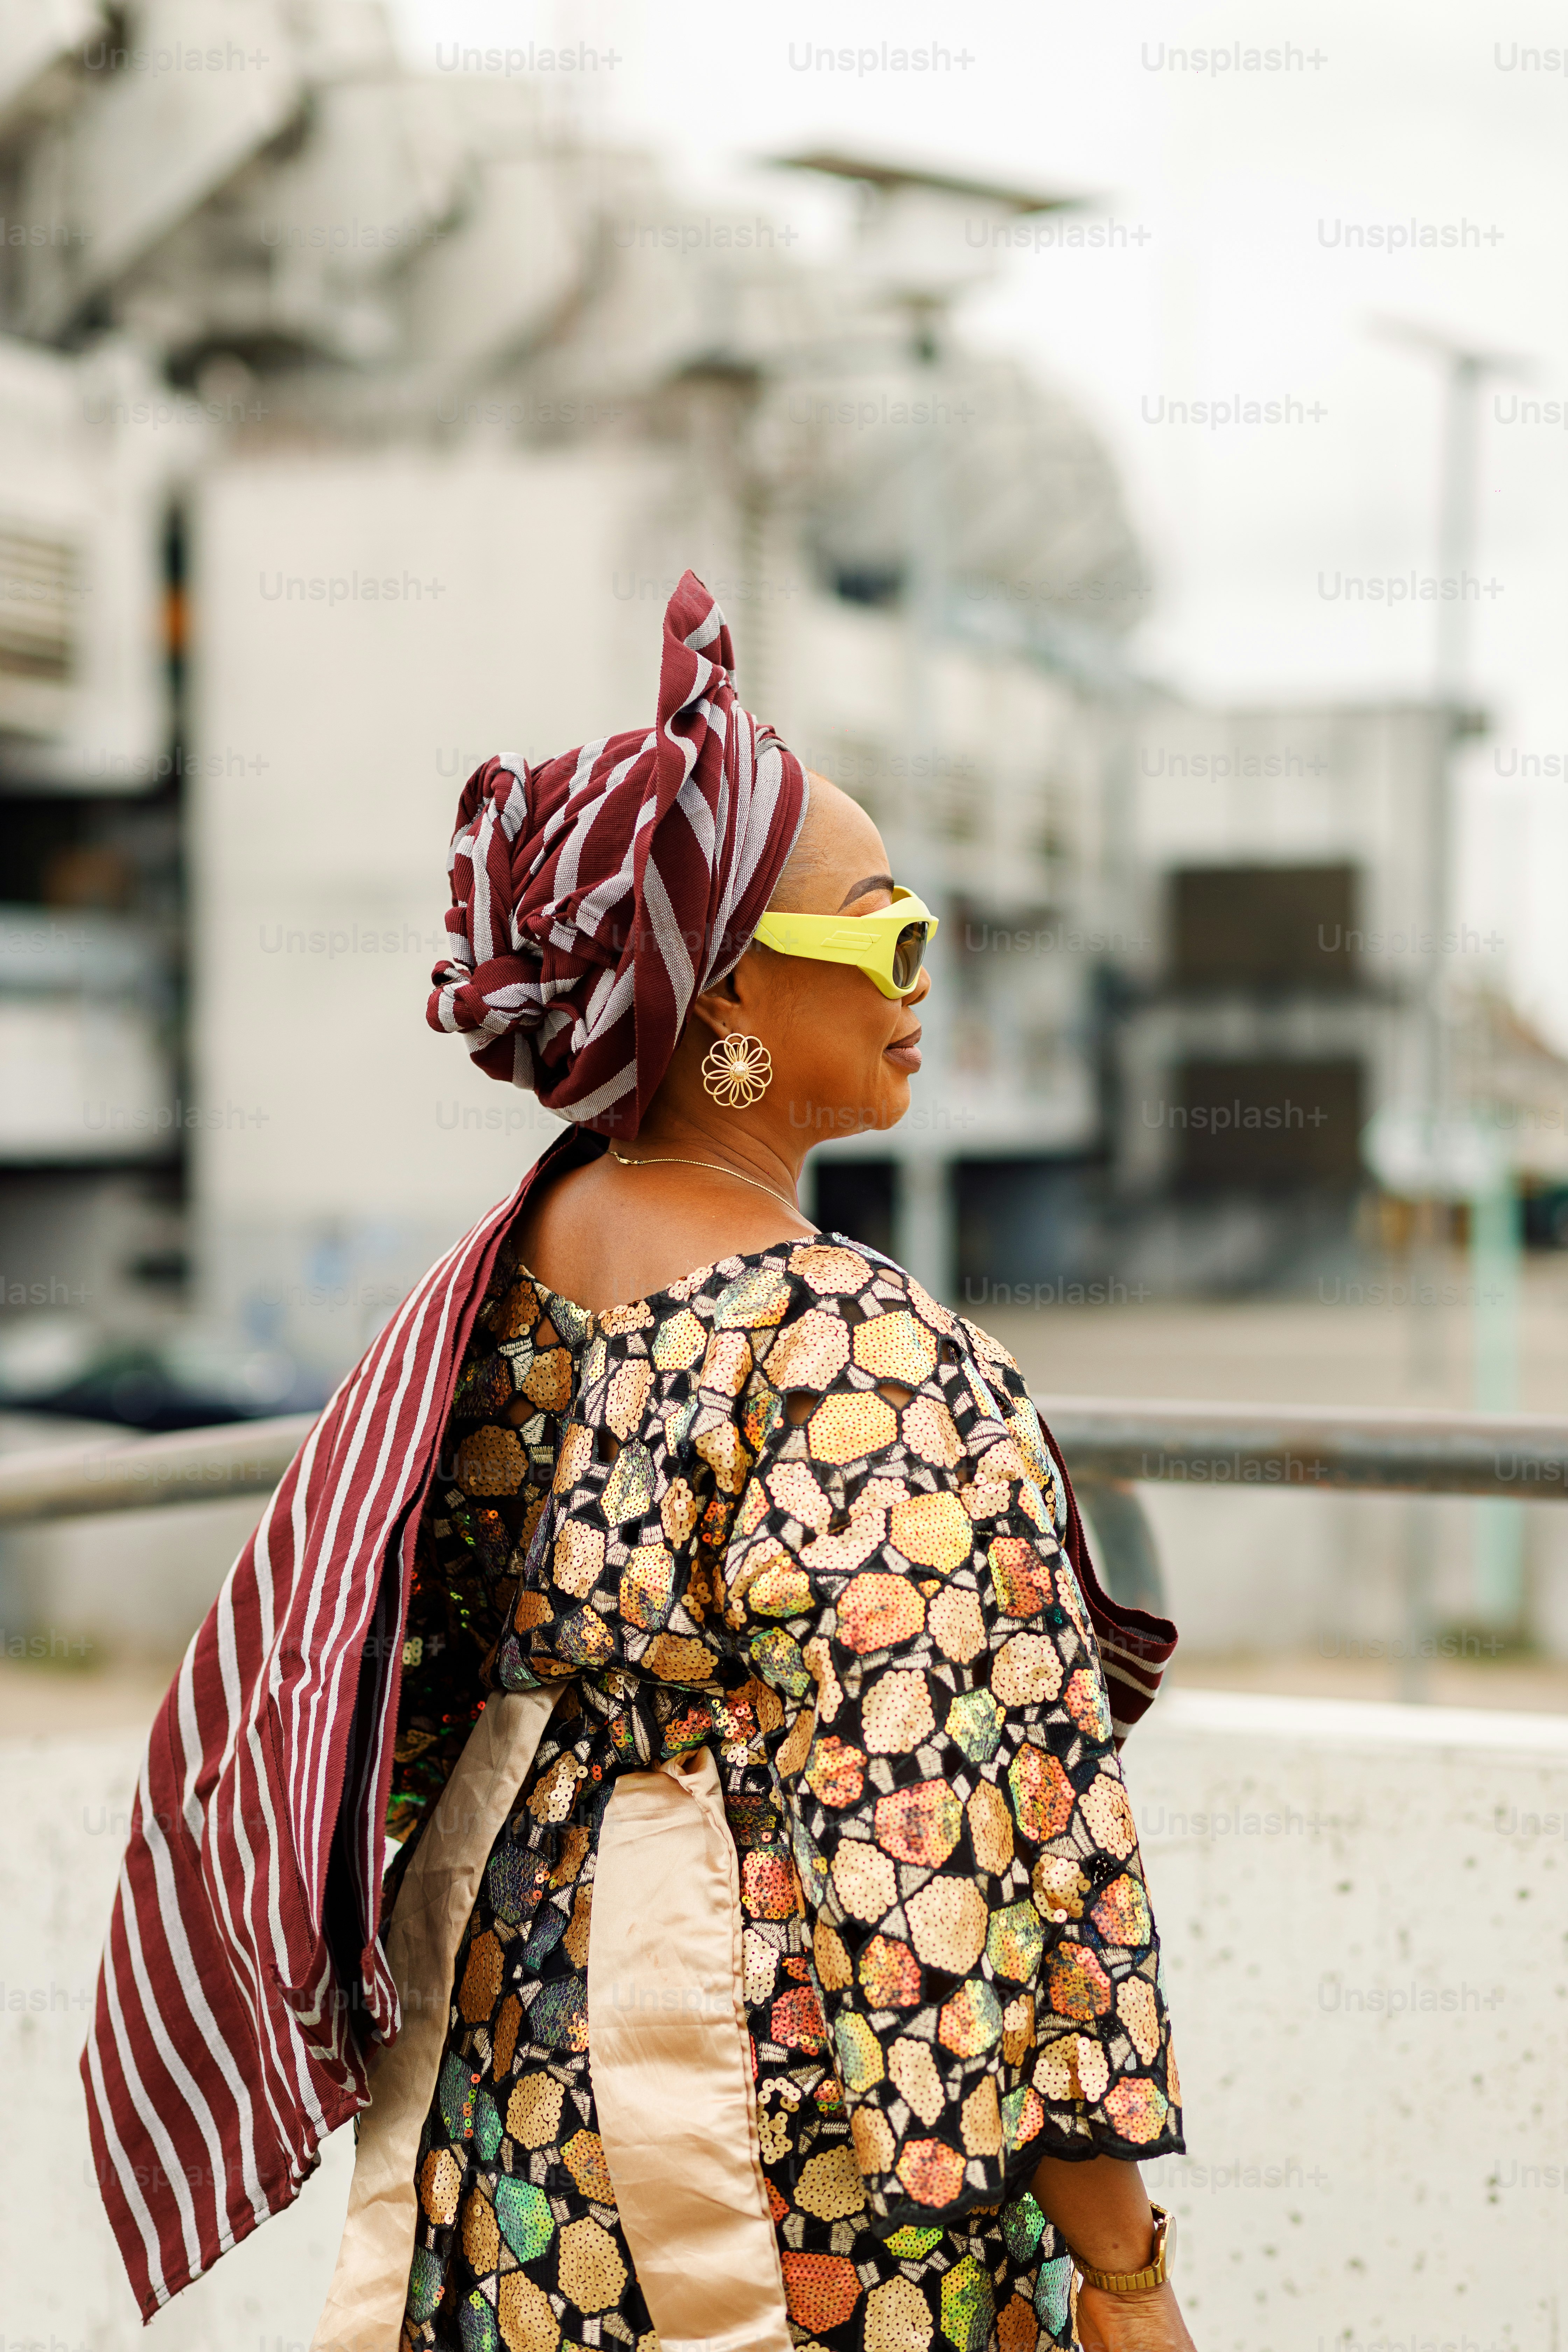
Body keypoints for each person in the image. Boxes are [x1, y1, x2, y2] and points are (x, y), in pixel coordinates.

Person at [83, 576, 1191, 2352]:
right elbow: (963, 1843)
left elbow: (398, 1676)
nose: (925, 973)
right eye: (888, 933)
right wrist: (1125, 2274)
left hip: (519, 2117)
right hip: (782, 2166)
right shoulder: (861, 1354)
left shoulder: (500, 1285)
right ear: (735, 983)